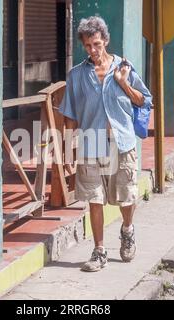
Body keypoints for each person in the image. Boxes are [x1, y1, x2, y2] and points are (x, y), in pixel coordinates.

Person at [59, 16, 152, 272]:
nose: (93, 50)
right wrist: (68, 149)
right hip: (91, 144)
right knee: (94, 199)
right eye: (88, 46)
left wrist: (123, 82)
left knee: (126, 196)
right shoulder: (77, 75)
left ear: (106, 41)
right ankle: (99, 251)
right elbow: (69, 114)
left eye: (97, 44)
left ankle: (127, 229)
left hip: (122, 143)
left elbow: (143, 101)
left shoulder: (124, 67)